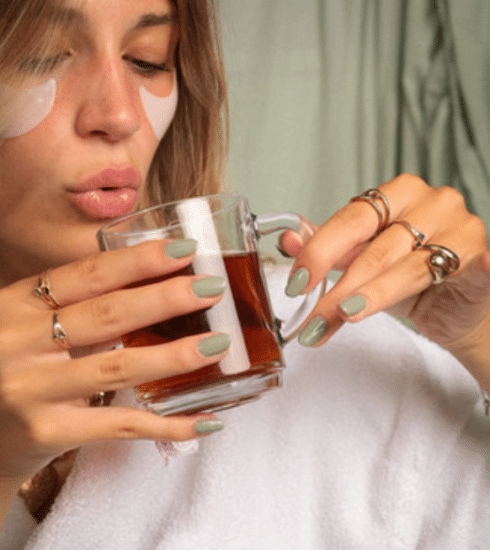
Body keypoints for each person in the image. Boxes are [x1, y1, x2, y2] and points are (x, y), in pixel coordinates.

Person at [0, 0, 489, 548]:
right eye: (38, 56)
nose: (119, 115)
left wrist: (481, 341)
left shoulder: (317, 346)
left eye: (148, 60)